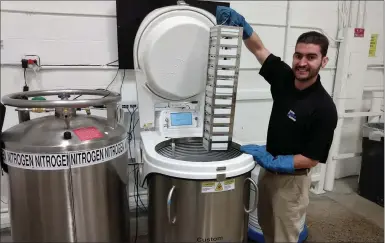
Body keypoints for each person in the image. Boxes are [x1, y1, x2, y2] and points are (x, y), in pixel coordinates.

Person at [216, 6, 338, 243]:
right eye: (298, 55)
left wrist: (275, 160)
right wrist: (243, 27)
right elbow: (259, 50)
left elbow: (311, 158)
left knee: (284, 237)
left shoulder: (323, 107)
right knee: (266, 230)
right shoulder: (284, 78)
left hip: (291, 183)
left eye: (310, 57)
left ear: (324, 61)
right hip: (267, 176)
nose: (302, 63)